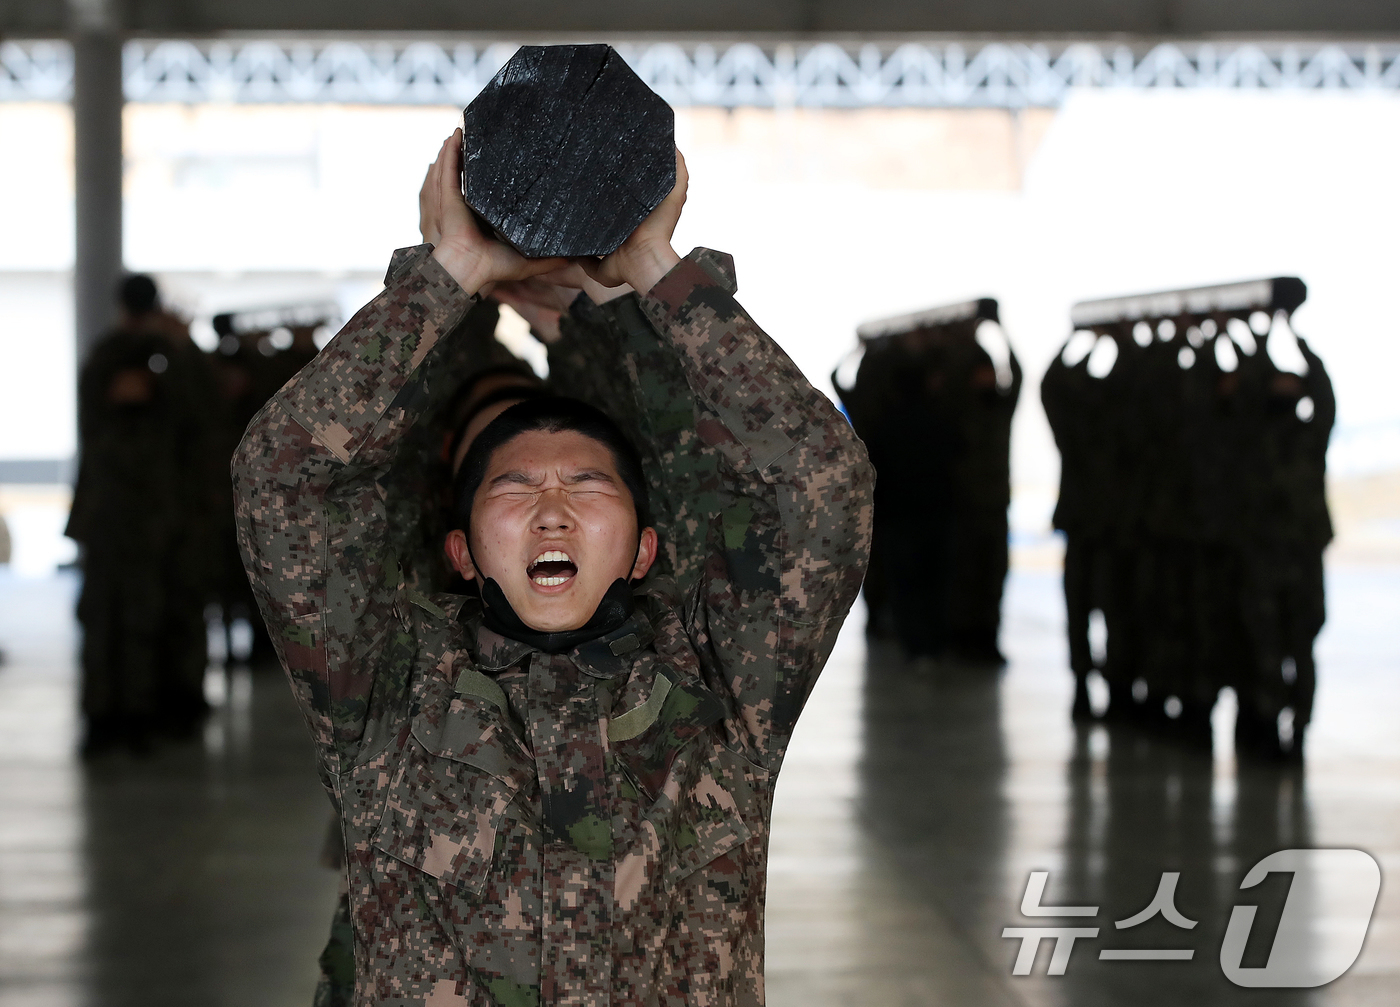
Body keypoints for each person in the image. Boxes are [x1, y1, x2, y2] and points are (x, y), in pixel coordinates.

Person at [235, 131, 873, 1005]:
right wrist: (448, 271)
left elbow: (820, 480)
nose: (552, 508)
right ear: (457, 550)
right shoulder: (384, 689)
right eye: (516, 486)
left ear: (647, 547)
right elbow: (283, 474)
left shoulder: (720, 691)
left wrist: (656, 267)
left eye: (585, 483)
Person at [66, 274, 217, 754]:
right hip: (148, 509)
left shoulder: (112, 354)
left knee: (134, 614)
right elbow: (201, 416)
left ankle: (128, 711)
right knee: (130, 614)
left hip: (139, 509)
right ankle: (131, 712)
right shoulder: (161, 355)